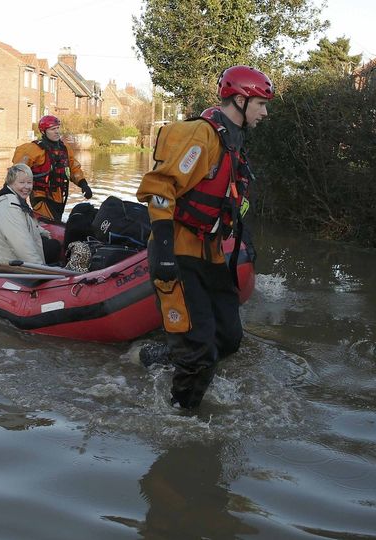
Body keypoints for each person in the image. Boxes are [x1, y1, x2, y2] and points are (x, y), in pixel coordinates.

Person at [135, 65, 273, 410]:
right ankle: (181, 417)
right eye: (260, 104)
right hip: (178, 250)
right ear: (240, 100)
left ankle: (166, 356)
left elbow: (232, 201)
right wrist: (163, 251)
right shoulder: (202, 136)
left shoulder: (234, 143)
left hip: (209, 253)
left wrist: (244, 237)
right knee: (199, 355)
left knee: (229, 337)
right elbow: (160, 189)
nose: (265, 113)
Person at [0, 163, 60, 267]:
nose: (26, 187)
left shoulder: (16, 200)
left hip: (4, 255)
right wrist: (41, 268)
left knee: (53, 245)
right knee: (53, 247)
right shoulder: (9, 207)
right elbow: (22, 245)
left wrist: (42, 232)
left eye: (29, 182)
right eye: (21, 182)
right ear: (10, 183)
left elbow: (26, 222)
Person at [12, 115, 93, 222]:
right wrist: (10, 191)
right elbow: (16, 171)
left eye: (57, 128)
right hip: (41, 197)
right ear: (43, 131)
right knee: (48, 222)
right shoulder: (33, 149)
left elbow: (74, 168)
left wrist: (83, 184)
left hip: (60, 197)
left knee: (57, 222)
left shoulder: (65, 149)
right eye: (52, 129)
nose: (57, 131)